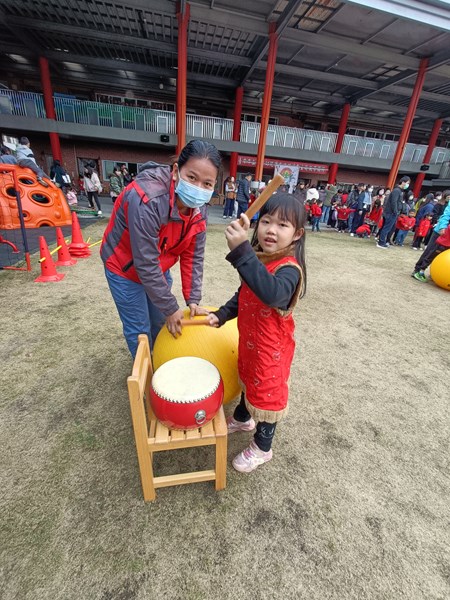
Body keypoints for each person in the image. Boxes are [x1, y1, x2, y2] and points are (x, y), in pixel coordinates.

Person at [206, 193, 307, 472]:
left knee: (267, 393)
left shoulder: (290, 270)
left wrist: (242, 252)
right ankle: (242, 417)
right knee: (248, 378)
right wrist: (222, 314)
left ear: (297, 234)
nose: (271, 230)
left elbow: (270, 293)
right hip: (251, 342)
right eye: (266, 221)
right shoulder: (259, 260)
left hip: (271, 349)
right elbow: (245, 294)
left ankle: (263, 447)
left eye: (282, 225)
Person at [101, 140, 221, 357]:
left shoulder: (200, 211)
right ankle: (147, 380)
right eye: (192, 177)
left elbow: (193, 257)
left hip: (158, 267)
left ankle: (161, 361)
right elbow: (145, 262)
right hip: (123, 267)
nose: (198, 188)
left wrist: (192, 299)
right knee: (140, 330)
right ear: (176, 171)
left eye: (207, 184)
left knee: (160, 322)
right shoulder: (148, 199)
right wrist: (171, 307)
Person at [411, 196, 450, 281]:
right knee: (431, 251)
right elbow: (446, 215)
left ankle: (438, 274)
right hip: (442, 232)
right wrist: (442, 227)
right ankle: (418, 270)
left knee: (443, 255)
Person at [377, 176, 411, 249]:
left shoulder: (398, 191)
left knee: (386, 227)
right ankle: (381, 242)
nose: (407, 185)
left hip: (391, 212)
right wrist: (395, 211)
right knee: (386, 228)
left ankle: (382, 241)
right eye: (407, 183)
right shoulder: (397, 191)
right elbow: (394, 202)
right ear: (403, 182)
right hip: (391, 213)